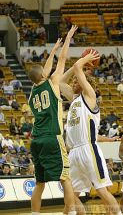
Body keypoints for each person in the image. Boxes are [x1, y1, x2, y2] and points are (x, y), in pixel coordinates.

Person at [60, 51, 122, 215]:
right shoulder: (74, 99)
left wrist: (83, 61)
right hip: (74, 152)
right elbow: (60, 82)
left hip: (88, 150)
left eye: (76, 80)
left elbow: (76, 66)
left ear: (84, 83)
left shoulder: (89, 97)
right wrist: (76, 69)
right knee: (71, 194)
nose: (73, 82)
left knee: (102, 191)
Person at [28, 25, 78, 215]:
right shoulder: (53, 82)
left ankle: (34, 213)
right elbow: (63, 61)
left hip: (36, 140)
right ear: (43, 75)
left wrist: (53, 50)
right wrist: (68, 39)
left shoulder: (32, 92)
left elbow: (44, 70)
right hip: (52, 138)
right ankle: (71, 212)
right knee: (65, 178)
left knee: (39, 183)